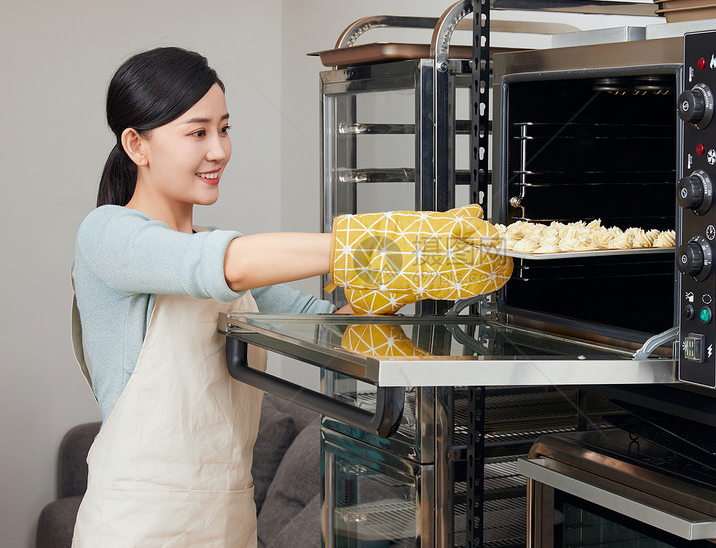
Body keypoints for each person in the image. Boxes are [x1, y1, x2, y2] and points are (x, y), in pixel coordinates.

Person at [71, 46, 511, 547]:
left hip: (230, 520)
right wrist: (379, 242)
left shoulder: (221, 258)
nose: (218, 150)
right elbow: (221, 265)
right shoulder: (106, 235)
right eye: (197, 132)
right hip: (136, 525)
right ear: (136, 145)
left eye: (224, 128)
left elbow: (334, 329)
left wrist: (405, 273)